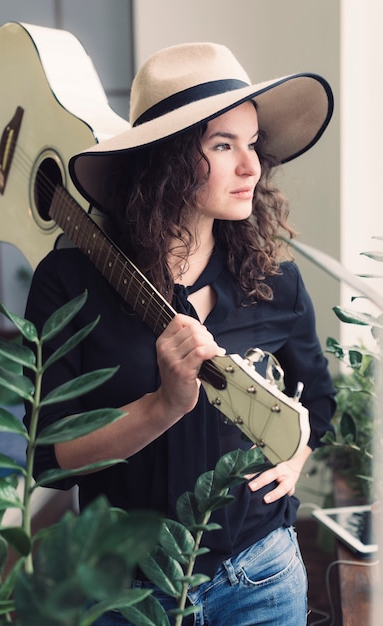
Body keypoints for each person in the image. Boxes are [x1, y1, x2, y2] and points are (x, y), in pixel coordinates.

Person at [24, 42, 336, 625]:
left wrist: (295, 461)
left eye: (253, 145)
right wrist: (162, 405)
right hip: (121, 594)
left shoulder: (276, 281)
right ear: (164, 162)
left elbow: (318, 397)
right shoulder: (67, 282)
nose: (252, 167)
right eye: (223, 146)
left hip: (261, 576)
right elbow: (51, 457)